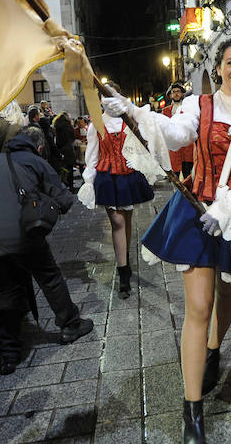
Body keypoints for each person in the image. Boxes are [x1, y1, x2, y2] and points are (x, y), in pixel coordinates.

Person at [101, 36, 231, 444]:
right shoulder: (197, 106)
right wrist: (133, 110)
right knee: (199, 306)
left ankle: (216, 347)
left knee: (228, 294)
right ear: (219, 67)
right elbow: (173, 134)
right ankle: (193, 415)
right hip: (197, 211)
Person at [0, 127, 93, 375]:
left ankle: (8, 352)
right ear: (38, 147)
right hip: (18, 234)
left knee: (7, 290)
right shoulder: (35, 161)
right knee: (49, 277)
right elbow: (64, 200)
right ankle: (70, 324)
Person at [79, 82, 155, 299]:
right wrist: (89, 181)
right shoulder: (96, 124)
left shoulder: (128, 120)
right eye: (102, 95)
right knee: (118, 222)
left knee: (126, 221)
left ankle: (125, 260)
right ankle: (123, 272)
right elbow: (92, 156)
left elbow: (142, 146)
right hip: (108, 176)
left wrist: (139, 162)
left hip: (128, 175)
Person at [163, 83, 196, 179]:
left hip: (187, 146)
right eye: (174, 92)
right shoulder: (166, 111)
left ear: (182, 94)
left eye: (178, 91)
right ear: (170, 95)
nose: (176, 94)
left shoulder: (188, 108)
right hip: (174, 148)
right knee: (175, 175)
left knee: (188, 173)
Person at [54, 111, 77, 191]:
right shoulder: (68, 126)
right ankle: (71, 186)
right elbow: (73, 137)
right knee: (70, 169)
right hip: (68, 149)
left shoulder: (56, 126)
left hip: (60, 148)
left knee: (63, 168)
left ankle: (63, 184)